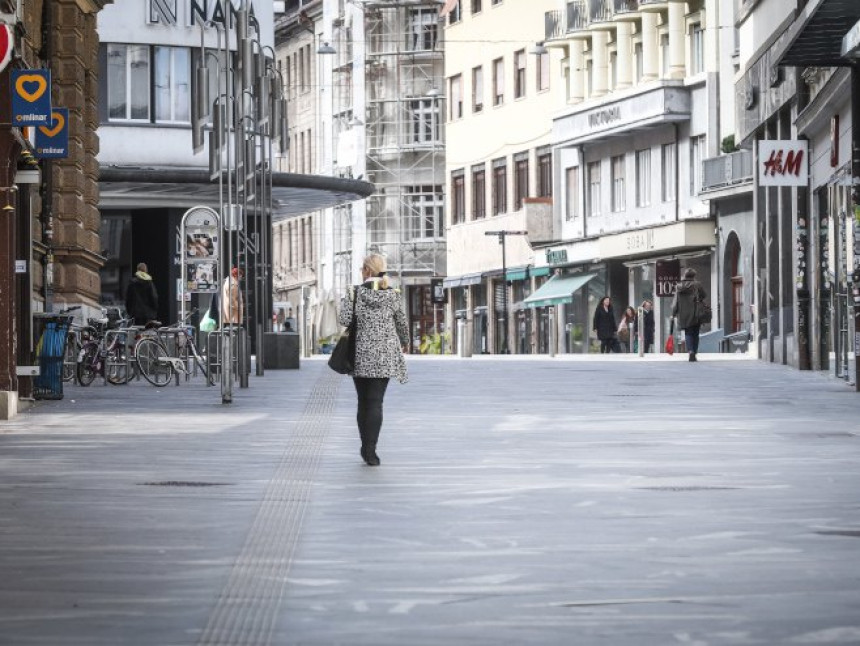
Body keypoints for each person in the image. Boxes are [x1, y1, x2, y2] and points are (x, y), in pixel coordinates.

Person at [338, 253, 409, 467]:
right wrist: (404, 341)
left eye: (362, 268)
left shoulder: (355, 293)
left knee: (363, 402)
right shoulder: (393, 294)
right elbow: (402, 323)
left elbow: (343, 320)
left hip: (360, 355)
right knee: (376, 402)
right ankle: (371, 451)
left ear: (367, 271)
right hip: (385, 355)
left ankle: (364, 447)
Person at [672, 267, 707, 362]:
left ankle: (690, 351)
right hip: (696, 312)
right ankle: (694, 352)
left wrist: (673, 312)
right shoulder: (697, 284)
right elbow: (704, 295)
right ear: (694, 275)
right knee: (696, 333)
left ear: (685, 275)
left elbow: (675, 301)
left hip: (683, 314)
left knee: (688, 332)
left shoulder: (679, 286)